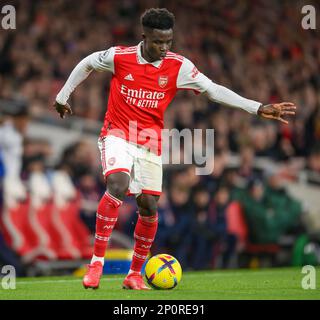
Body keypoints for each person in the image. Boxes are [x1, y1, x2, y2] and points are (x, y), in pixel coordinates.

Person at [53, 8, 296, 290]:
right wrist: (63, 95)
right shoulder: (120, 56)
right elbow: (87, 63)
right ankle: (96, 264)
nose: (164, 48)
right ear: (144, 37)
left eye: (168, 42)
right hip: (117, 133)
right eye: (158, 42)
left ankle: (134, 274)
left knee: (149, 206)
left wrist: (257, 108)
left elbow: (213, 90)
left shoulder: (178, 66)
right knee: (118, 184)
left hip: (150, 142)